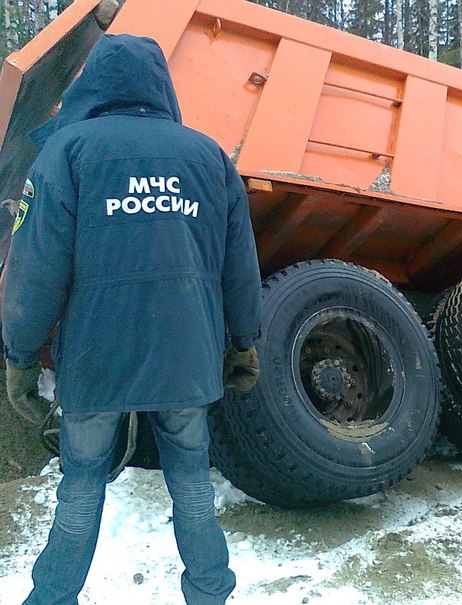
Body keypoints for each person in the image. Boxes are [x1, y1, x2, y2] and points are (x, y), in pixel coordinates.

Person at [2, 33, 262, 604]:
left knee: (82, 484)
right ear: (158, 85)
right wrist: (244, 342)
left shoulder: (66, 153)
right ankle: (210, 594)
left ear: (94, 82)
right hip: (186, 356)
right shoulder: (210, 156)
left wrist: (20, 358)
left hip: (98, 355)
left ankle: (51, 597)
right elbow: (240, 265)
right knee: (192, 484)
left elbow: (34, 269)